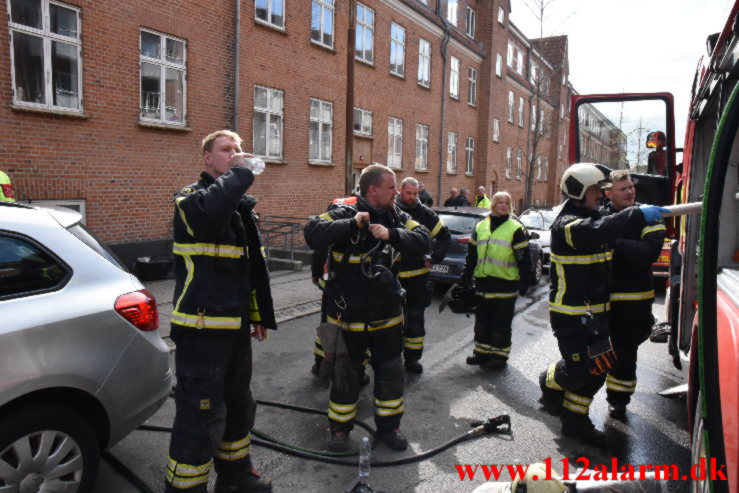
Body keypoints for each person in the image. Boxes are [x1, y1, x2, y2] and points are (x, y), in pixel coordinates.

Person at [165, 130, 275, 493]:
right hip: (201, 331)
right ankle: (185, 488)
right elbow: (209, 215)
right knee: (201, 415)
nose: (237, 155)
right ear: (207, 159)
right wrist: (241, 173)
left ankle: (236, 477)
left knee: (239, 407)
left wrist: (257, 314)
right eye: (227, 150)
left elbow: (249, 270)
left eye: (240, 150)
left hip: (234, 330)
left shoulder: (241, 210)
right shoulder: (189, 199)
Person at [304, 163, 431, 452]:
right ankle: (338, 431)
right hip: (348, 317)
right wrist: (353, 224)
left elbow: (425, 239)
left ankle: (390, 428)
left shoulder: (398, 217)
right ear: (372, 189)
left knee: (390, 375)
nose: (396, 192)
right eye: (391, 187)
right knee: (345, 377)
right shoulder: (345, 211)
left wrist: (392, 235)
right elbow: (312, 231)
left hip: (386, 318)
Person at [538, 162, 667, 446]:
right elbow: (598, 230)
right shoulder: (567, 225)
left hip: (596, 315)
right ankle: (547, 380)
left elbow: (618, 242)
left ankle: (574, 423)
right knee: (579, 370)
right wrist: (636, 214)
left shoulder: (593, 217)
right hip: (571, 316)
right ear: (580, 191)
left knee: (598, 369)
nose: (602, 195)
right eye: (598, 190)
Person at [601, 170, 666, 419]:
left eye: (631, 187)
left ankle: (618, 401)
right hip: (600, 299)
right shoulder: (600, 214)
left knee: (625, 354)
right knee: (594, 351)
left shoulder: (649, 216)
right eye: (622, 189)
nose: (629, 192)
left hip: (633, 299)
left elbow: (648, 252)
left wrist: (613, 240)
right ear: (609, 193)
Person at [460, 191, 532, 369]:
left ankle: (499, 357)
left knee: (501, 323)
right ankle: (482, 353)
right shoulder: (480, 226)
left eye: (507, 203)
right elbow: (471, 255)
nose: (503, 205)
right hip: (483, 285)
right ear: (492, 204)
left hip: (505, 285)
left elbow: (524, 260)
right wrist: (465, 277)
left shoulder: (515, 229)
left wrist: (523, 285)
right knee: (482, 321)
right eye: (500, 202)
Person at [394, 177, 451, 374]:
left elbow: (444, 235)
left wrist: (434, 257)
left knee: (415, 319)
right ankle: (388, 358)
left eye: (415, 194)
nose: (411, 197)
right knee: (387, 320)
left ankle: (412, 360)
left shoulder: (425, 214)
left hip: (417, 278)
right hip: (392, 277)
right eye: (408, 193)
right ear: (400, 190)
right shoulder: (390, 210)